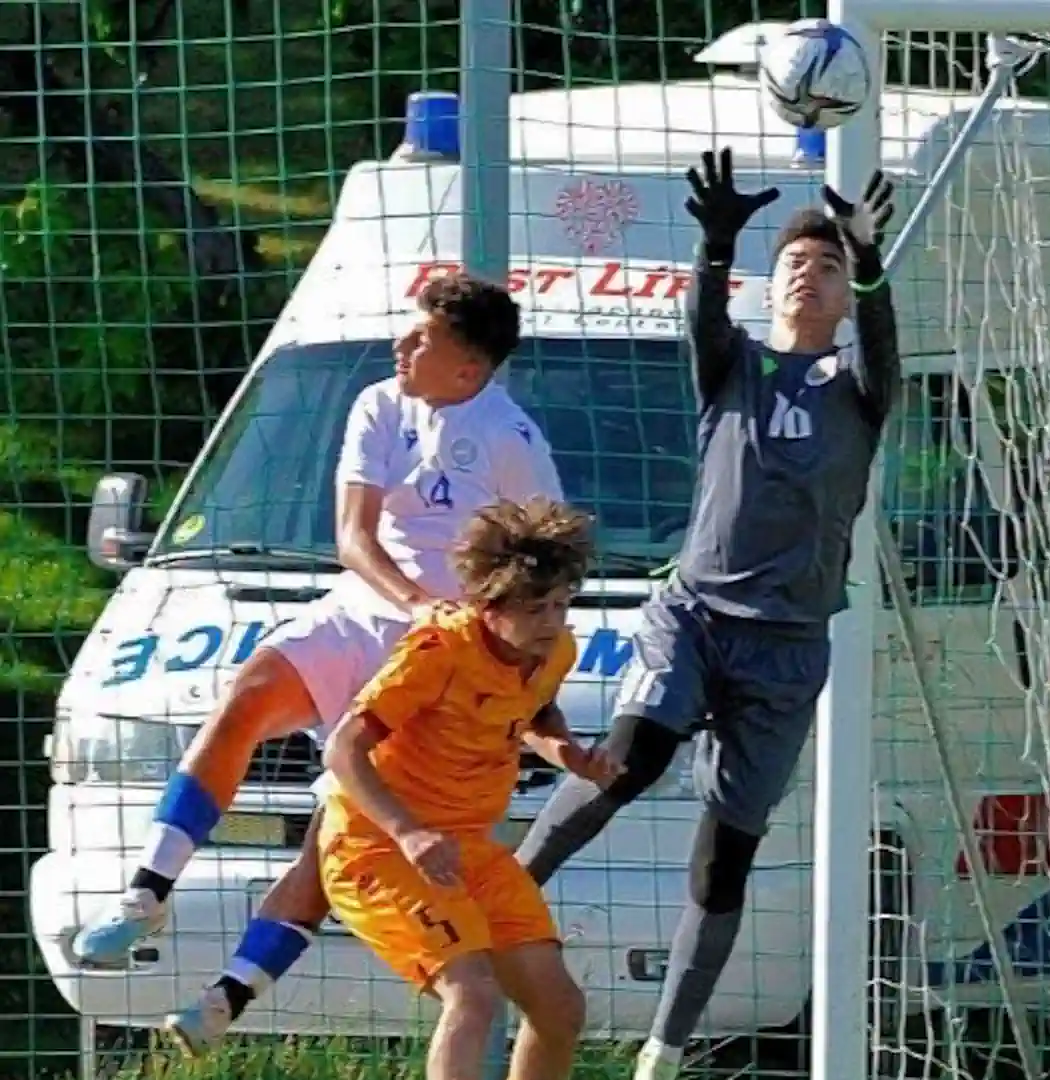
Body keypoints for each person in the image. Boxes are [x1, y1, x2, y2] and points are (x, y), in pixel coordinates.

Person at [68, 271, 565, 1050]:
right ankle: (148, 891)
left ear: (468, 368)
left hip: (438, 654)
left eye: (422, 338)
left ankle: (228, 997)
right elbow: (353, 537)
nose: (402, 344)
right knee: (247, 695)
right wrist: (414, 601)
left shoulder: (512, 441)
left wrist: (507, 657)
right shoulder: (380, 403)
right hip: (367, 610)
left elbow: (548, 560)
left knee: (339, 832)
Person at [504, 148, 899, 1080]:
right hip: (695, 616)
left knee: (725, 858)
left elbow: (886, 344)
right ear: (769, 286)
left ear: (845, 297)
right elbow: (703, 319)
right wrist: (716, 245)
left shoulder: (859, 388)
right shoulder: (734, 367)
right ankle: (501, 897)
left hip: (787, 648)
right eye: (795, 261)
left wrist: (869, 256)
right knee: (632, 758)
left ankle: (666, 1047)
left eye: (827, 265)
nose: (809, 273)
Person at [322, 497, 617, 1080]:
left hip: (468, 850)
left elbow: (536, 712)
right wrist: (408, 832)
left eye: (561, 605)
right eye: (535, 609)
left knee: (559, 1008)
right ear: (489, 604)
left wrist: (570, 753)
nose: (551, 622)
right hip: (379, 849)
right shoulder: (439, 651)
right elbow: (342, 748)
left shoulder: (555, 651)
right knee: (473, 995)